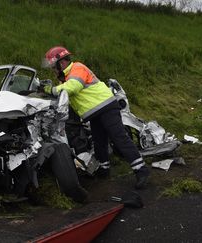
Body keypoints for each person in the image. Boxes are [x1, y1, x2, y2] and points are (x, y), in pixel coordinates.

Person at [40, 46, 150, 189]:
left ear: (61, 63)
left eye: (53, 67)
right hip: (95, 112)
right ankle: (104, 170)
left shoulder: (77, 68)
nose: (53, 70)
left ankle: (141, 170)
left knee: (119, 138)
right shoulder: (65, 78)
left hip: (106, 108)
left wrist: (50, 90)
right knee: (99, 142)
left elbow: (72, 88)